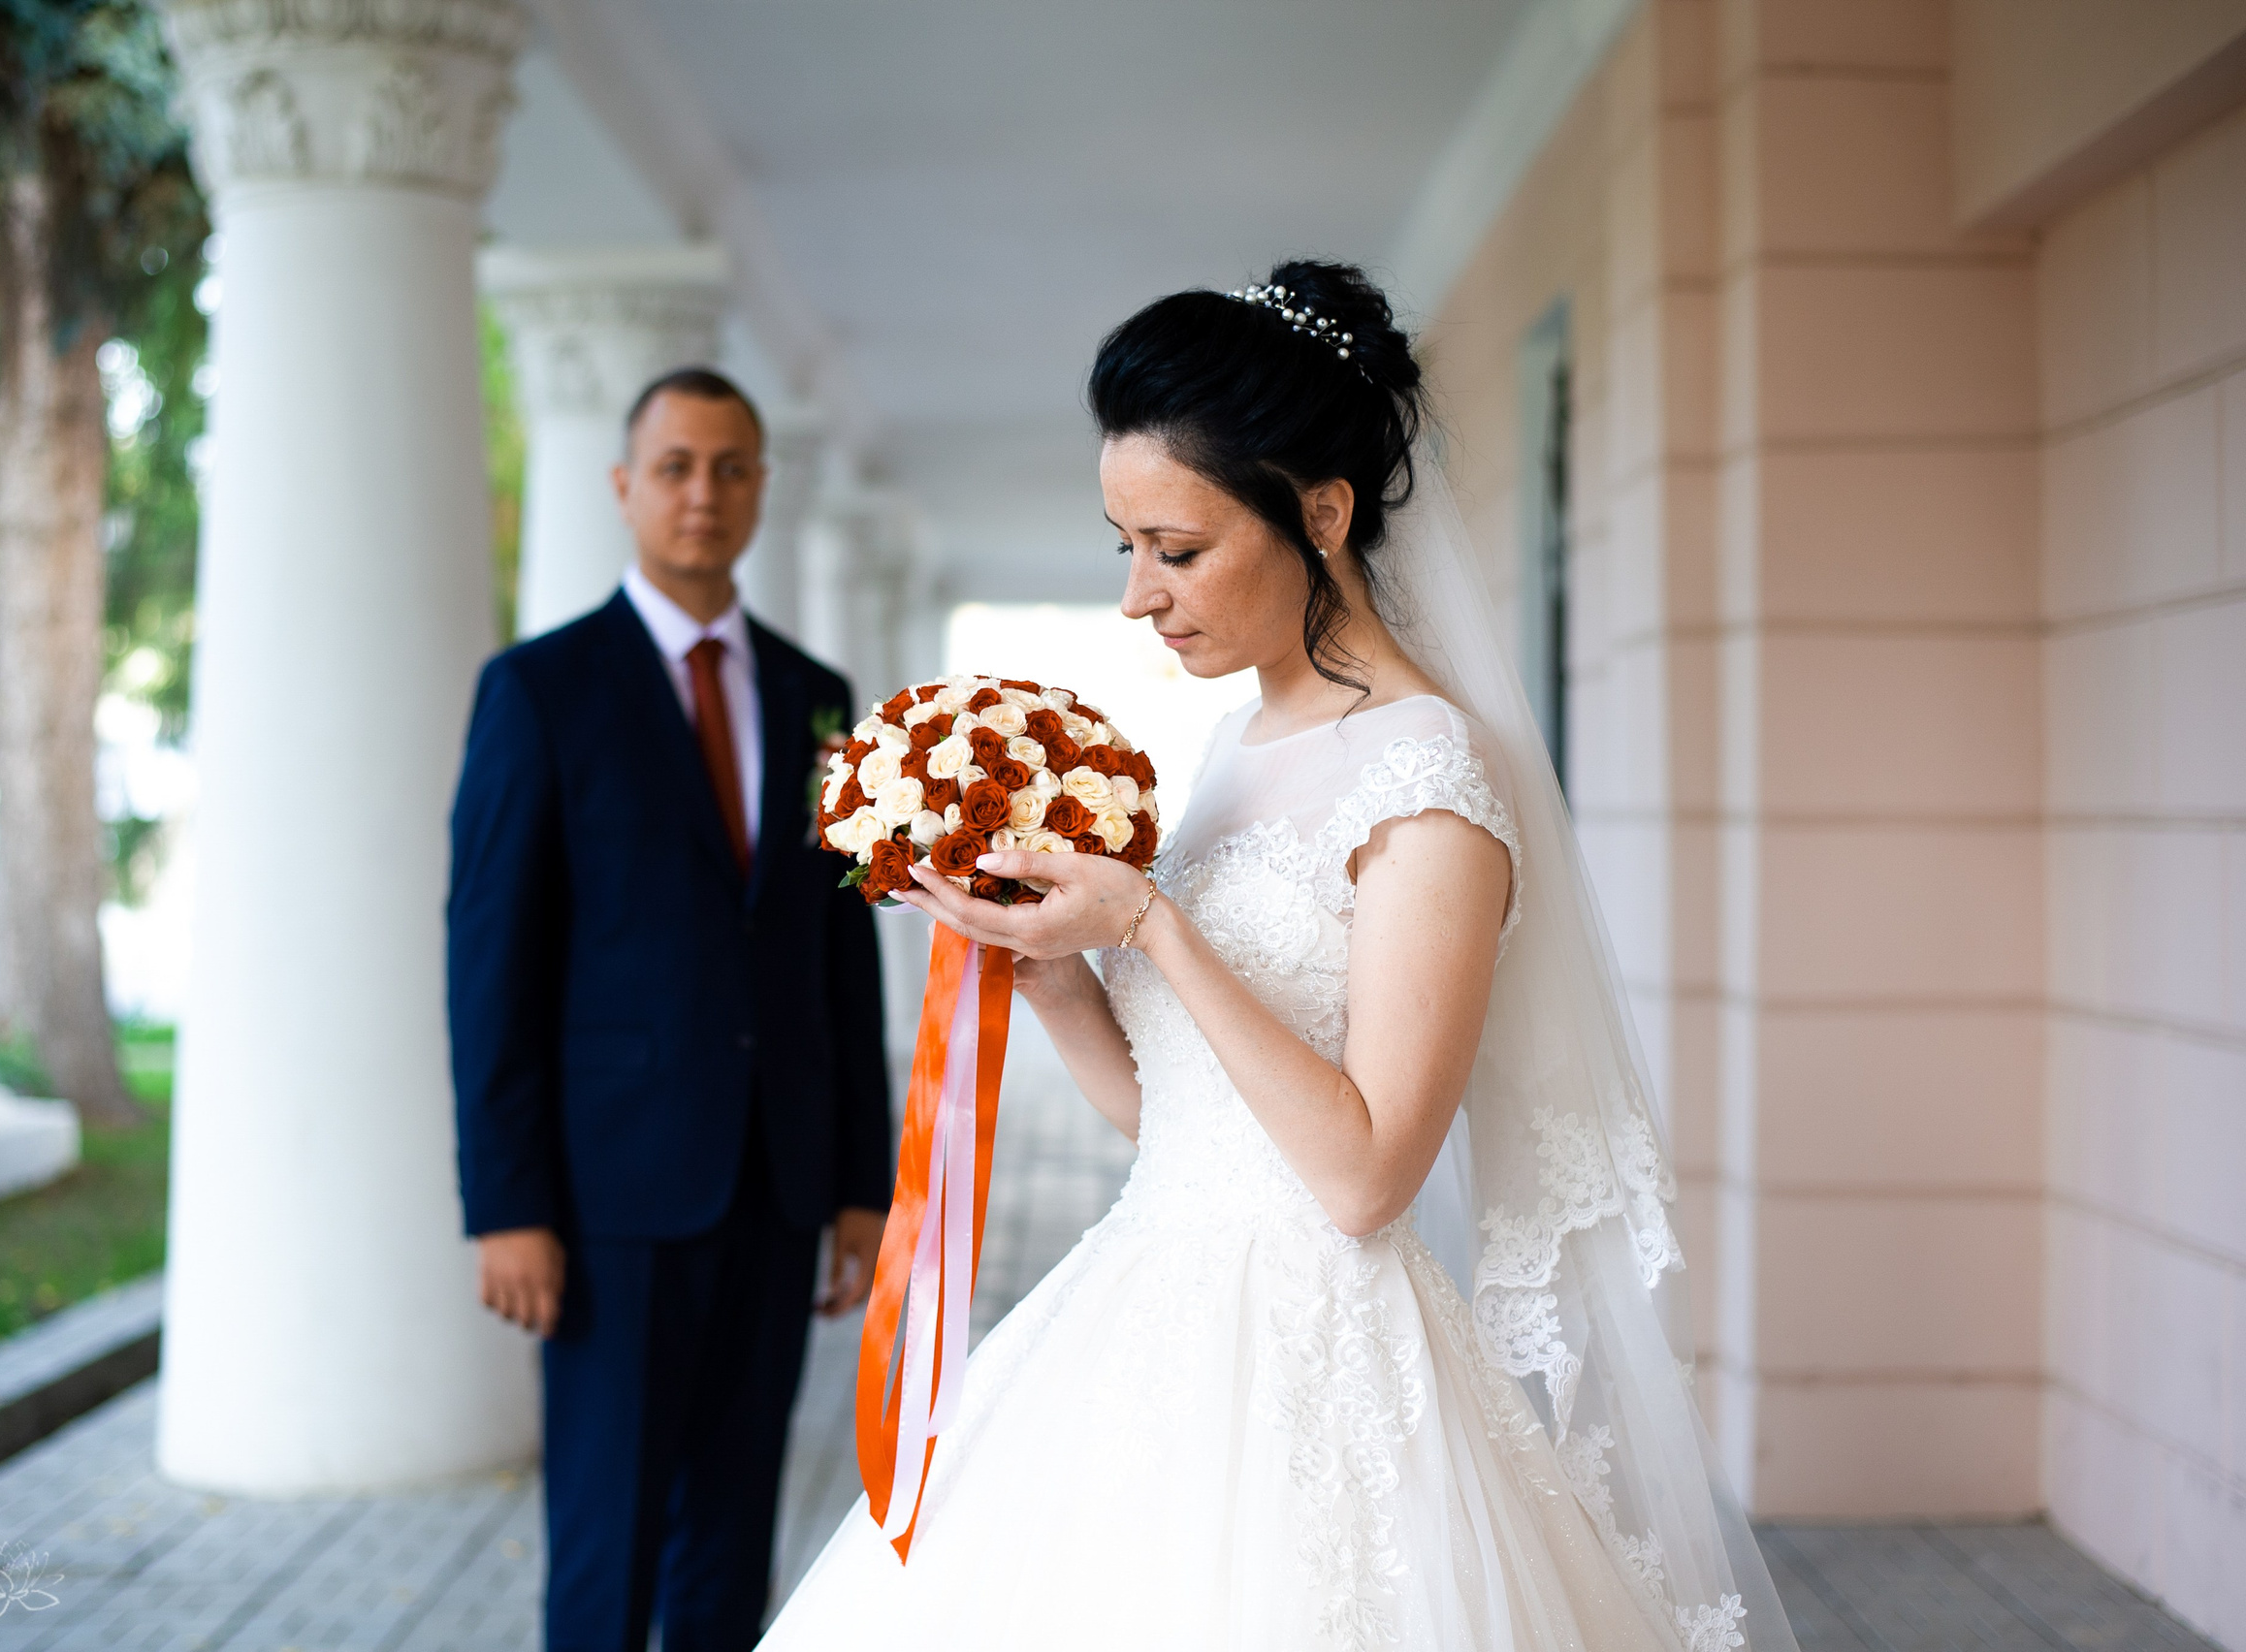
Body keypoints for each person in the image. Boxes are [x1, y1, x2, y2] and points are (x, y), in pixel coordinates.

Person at [760, 264, 1798, 1651]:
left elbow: (1366, 1177)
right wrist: (1055, 967)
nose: (1139, 597)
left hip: (1320, 1355)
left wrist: (1148, 923)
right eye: (1121, 546)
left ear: (1321, 513)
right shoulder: (1239, 746)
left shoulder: (1430, 778)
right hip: (1140, 1306)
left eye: (1176, 551)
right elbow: (1181, 1120)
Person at [447, 367, 892, 1652]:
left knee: (730, 1541)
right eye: (679, 466)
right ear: (625, 486)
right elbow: (489, 963)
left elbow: (837, 953)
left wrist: (865, 1183)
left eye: (732, 467)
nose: (705, 492)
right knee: (609, 1539)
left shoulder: (818, 697)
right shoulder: (540, 692)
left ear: (761, 485)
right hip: (606, 1202)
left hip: (779, 1183)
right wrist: (508, 1204)